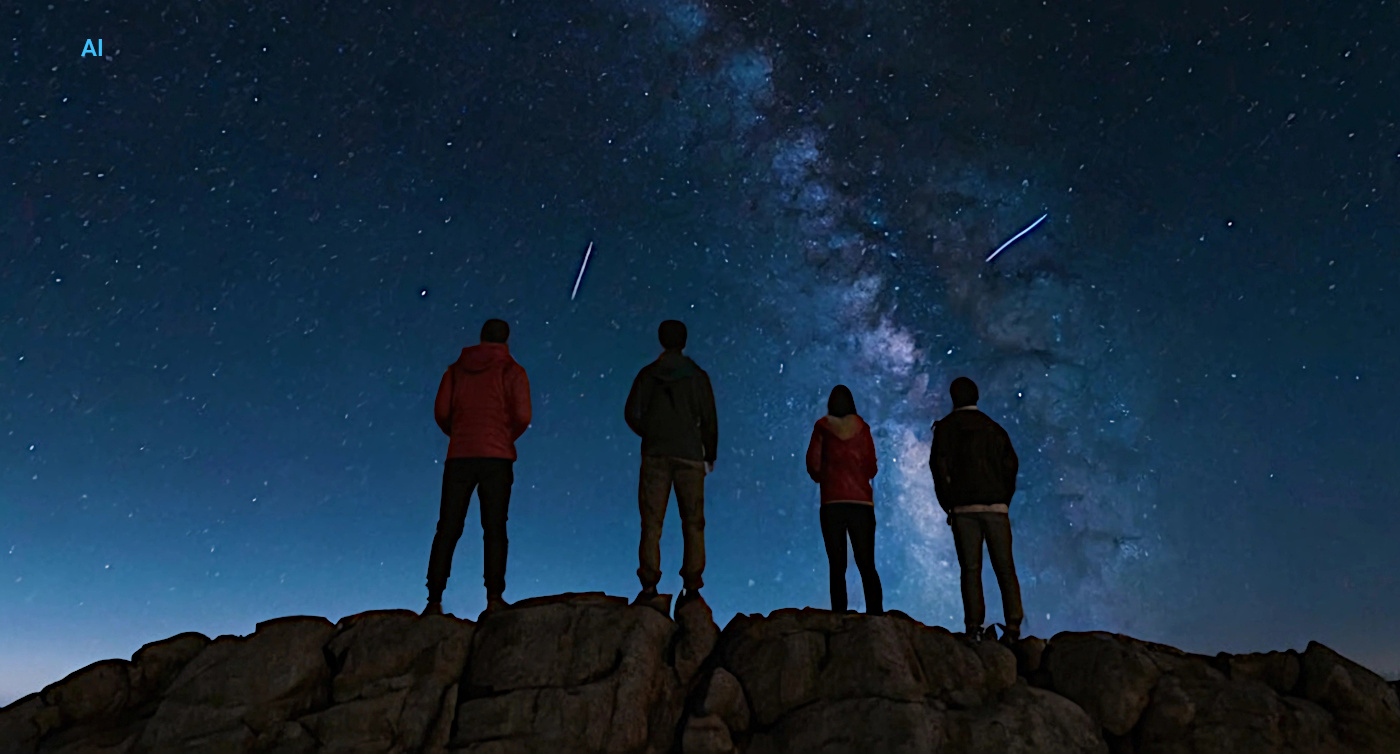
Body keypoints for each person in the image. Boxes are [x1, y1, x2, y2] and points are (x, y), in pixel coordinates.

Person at [423, 318, 532, 616]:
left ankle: (434, 598)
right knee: (495, 527)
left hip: (459, 455)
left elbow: (441, 411)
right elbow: (523, 415)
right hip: (497, 458)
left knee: (448, 526)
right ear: (506, 340)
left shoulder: (455, 371)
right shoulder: (513, 371)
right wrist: (502, 436)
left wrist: (460, 433)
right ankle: (494, 598)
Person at [624, 320, 718, 612]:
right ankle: (692, 586)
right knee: (693, 522)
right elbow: (710, 418)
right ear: (684, 341)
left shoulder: (648, 375)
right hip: (689, 455)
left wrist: (651, 431)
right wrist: (709, 453)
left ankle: (649, 584)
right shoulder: (698, 377)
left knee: (652, 522)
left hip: (656, 454)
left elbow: (631, 413)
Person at [929, 376, 1023, 642]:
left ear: (953, 397)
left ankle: (974, 626)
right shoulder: (995, 429)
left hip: (963, 509)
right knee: (1005, 567)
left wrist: (948, 503)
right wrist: (1004, 498)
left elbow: (938, 468)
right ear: (977, 396)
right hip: (996, 508)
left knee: (971, 569)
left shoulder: (946, 428)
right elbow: (1010, 466)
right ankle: (1013, 625)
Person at [805, 385, 883, 615]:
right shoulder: (863, 428)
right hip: (862, 504)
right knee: (866, 562)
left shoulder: (822, 427)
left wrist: (826, 477)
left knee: (837, 565)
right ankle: (875, 614)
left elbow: (813, 464)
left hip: (832, 502)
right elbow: (871, 467)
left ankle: (839, 613)